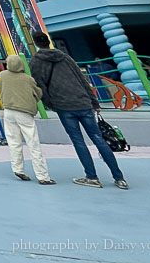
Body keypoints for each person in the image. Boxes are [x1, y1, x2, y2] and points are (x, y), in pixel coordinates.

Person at [28, 32, 128, 189]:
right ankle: (119, 177)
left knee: (78, 141)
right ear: (49, 41)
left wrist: (50, 104)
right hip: (83, 101)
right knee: (98, 139)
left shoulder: (35, 62)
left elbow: (40, 85)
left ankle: (92, 177)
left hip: (63, 105)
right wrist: (93, 101)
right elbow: (82, 79)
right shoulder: (65, 57)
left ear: (35, 43)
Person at [0, 54, 55, 185]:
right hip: (24, 112)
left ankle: (18, 169)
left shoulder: (3, 75)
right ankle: (43, 176)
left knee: (13, 142)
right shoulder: (27, 79)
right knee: (33, 144)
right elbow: (38, 93)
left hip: (8, 111)